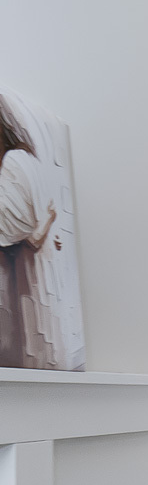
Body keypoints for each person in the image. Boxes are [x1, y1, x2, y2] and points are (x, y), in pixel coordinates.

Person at [0, 93, 82, 370]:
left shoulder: (14, 163)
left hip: (29, 282)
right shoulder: (25, 159)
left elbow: (29, 236)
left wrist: (45, 223)